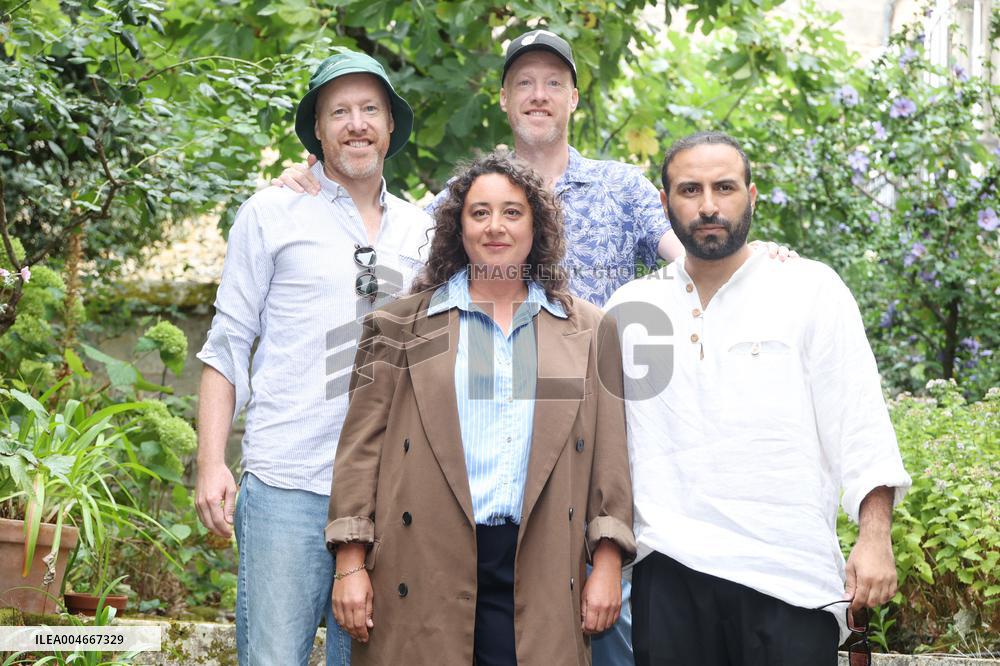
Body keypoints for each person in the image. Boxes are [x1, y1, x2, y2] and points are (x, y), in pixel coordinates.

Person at [604, 131, 912, 666]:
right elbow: (603, 450)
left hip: (788, 575)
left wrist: (875, 536)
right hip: (670, 572)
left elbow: (859, 419)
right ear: (664, 203)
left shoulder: (810, 289)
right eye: (689, 190)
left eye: (724, 187)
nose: (708, 206)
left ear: (751, 193)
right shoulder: (631, 309)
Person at [325, 150, 636, 666]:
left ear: (537, 226)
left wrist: (606, 563)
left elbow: (609, 462)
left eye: (513, 212)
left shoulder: (587, 330)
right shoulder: (399, 327)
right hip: (422, 561)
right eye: (480, 212)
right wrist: (350, 563)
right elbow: (359, 452)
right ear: (458, 226)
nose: (496, 226)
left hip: (539, 564)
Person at [194, 49, 432, 666]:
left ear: (389, 126)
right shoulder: (270, 213)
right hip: (286, 482)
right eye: (340, 112)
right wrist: (211, 463)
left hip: (388, 493)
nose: (356, 123)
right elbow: (227, 344)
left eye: (370, 110)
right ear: (318, 130)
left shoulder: (423, 231)